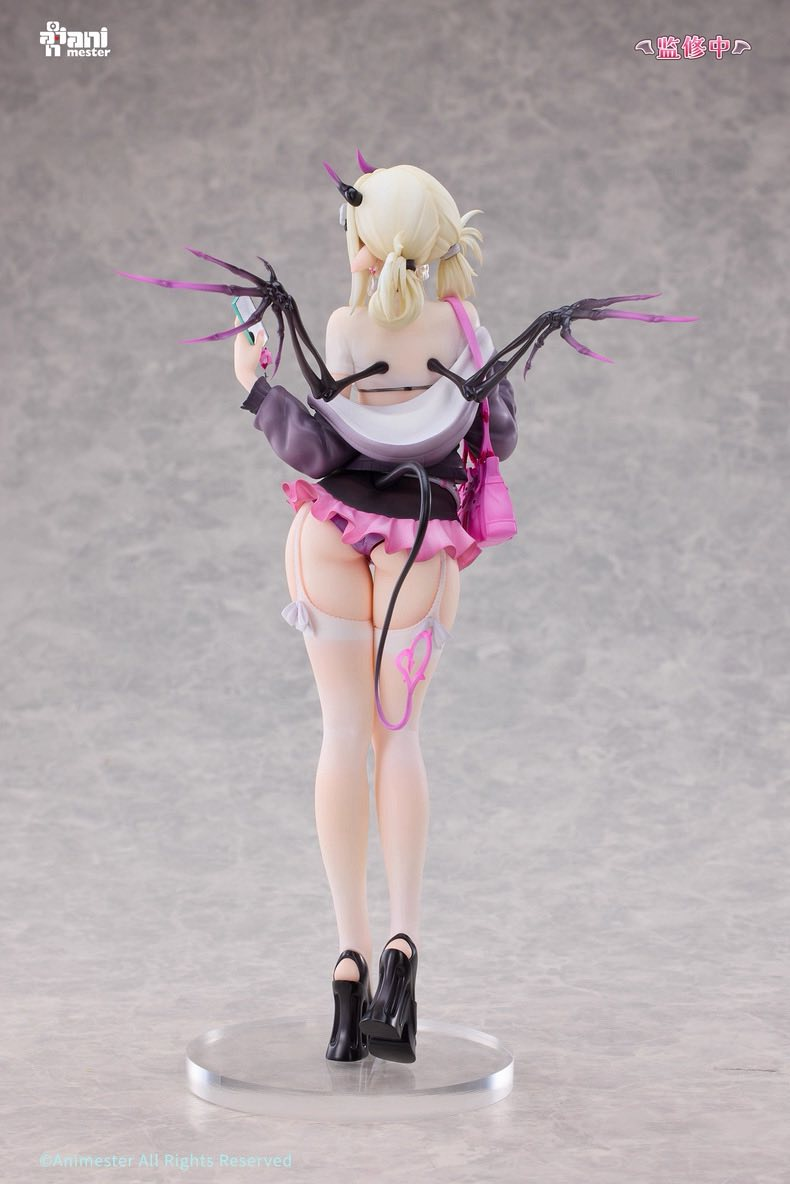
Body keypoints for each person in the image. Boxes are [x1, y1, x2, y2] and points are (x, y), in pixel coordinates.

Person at [232, 160, 518, 1063]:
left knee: (341, 736)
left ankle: (347, 969)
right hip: (419, 543)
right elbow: (500, 434)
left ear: (365, 238)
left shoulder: (344, 327)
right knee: (400, 738)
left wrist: (256, 385)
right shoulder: (464, 329)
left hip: (330, 536)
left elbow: (320, 451)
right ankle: (401, 950)